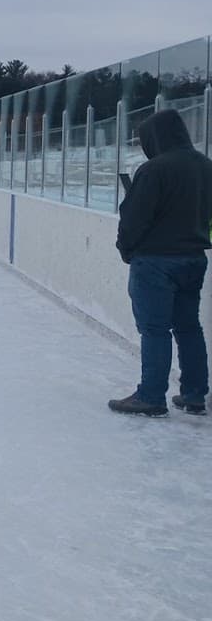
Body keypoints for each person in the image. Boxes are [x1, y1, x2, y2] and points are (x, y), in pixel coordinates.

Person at [109, 108, 212, 416]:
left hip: (155, 261)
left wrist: (126, 249)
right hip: (194, 259)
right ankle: (195, 394)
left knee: (155, 330)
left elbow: (134, 218)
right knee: (188, 327)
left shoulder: (154, 170)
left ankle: (151, 396)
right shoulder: (206, 166)